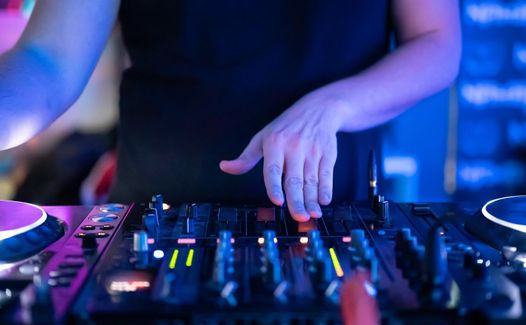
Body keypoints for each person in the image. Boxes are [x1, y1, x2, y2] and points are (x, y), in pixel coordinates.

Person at [0, 0, 460, 222]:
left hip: (328, 216)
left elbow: (437, 42)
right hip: (157, 212)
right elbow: (49, 61)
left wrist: (332, 106)